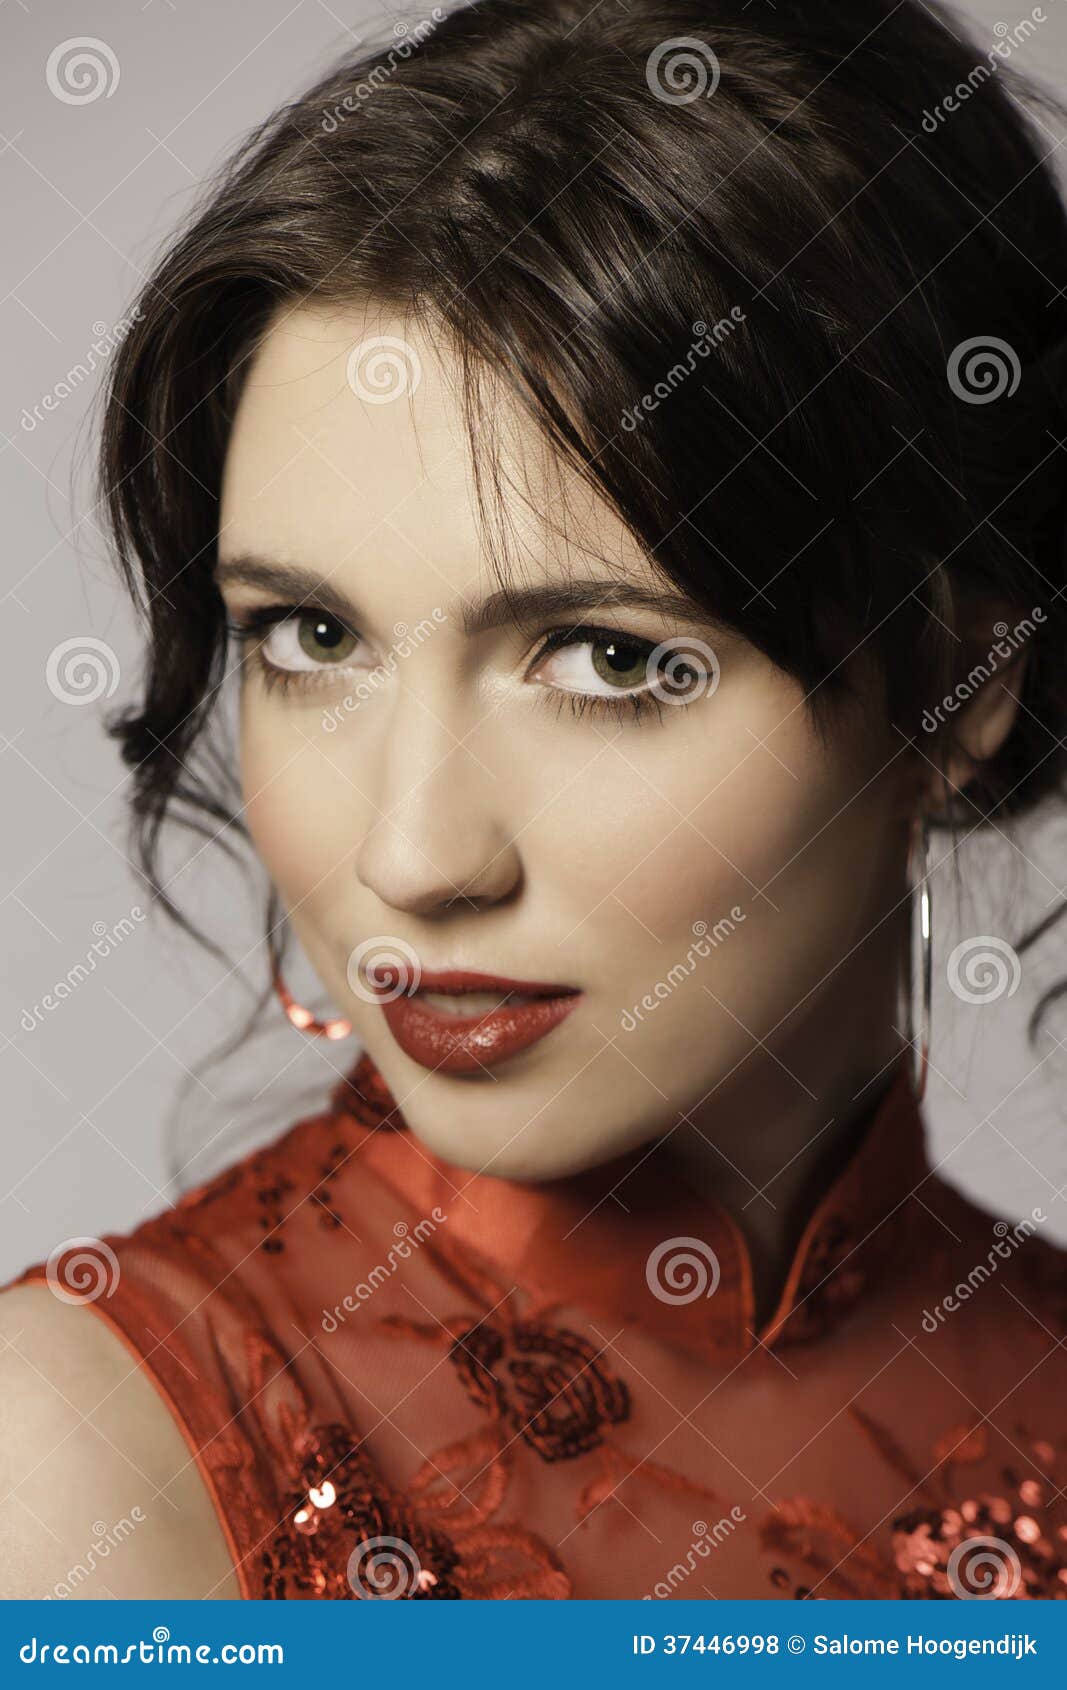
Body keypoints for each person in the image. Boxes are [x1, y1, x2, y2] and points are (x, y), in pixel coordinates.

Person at [4, 0, 1067, 1601]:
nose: (411, 856)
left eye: (604, 659)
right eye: (310, 637)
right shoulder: (73, 1469)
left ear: (964, 680)